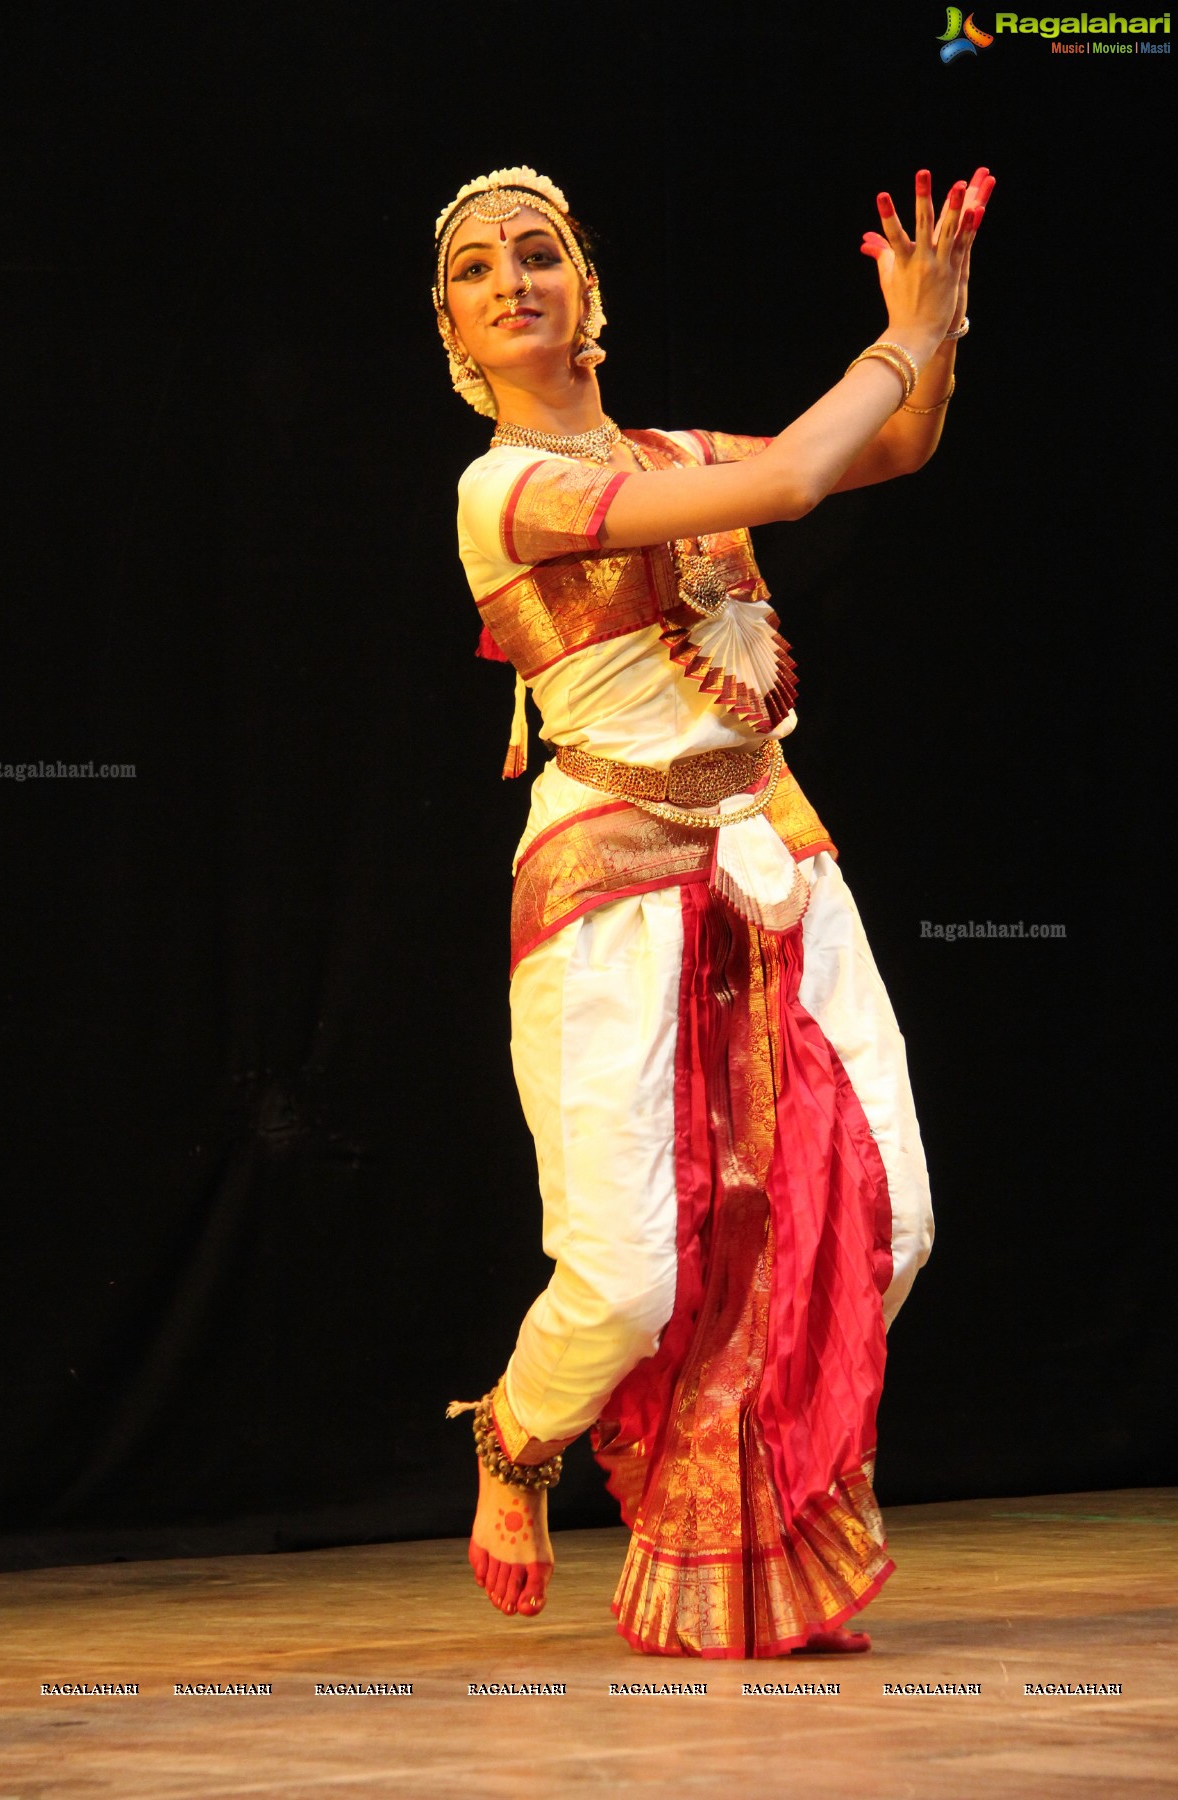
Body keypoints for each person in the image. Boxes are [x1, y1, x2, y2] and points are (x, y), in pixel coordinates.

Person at [438, 162, 992, 1658]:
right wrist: (895, 347)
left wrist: (931, 323)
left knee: (885, 1225)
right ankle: (516, 1438)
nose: (515, 281)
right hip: (610, 886)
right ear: (456, 330)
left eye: (540, 253)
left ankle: (758, 1522)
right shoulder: (509, 491)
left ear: (587, 289)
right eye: (480, 273)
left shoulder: (672, 446)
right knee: (624, 1279)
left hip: (775, 855)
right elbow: (798, 480)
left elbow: (894, 447)